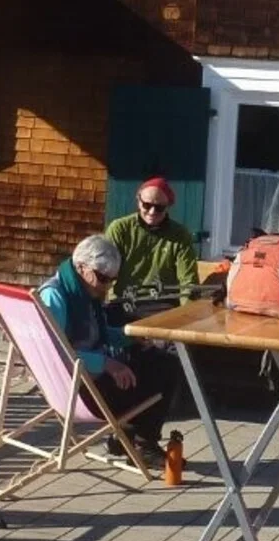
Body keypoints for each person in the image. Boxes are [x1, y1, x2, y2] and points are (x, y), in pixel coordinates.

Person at [38, 235, 174, 463]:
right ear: (81, 267)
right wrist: (106, 364)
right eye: (102, 278)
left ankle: (128, 438)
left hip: (90, 378)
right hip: (76, 390)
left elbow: (97, 334)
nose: (107, 286)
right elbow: (55, 354)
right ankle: (141, 441)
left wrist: (129, 337)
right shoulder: (55, 297)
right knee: (163, 370)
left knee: (156, 357)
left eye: (112, 280)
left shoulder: (82, 293)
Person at [103, 177, 200, 320]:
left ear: (168, 206)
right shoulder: (120, 229)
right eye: (147, 205)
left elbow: (188, 283)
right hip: (123, 302)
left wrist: (187, 317)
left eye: (159, 208)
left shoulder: (180, 235)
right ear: (138, 201)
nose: (152, 211)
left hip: (163, 305)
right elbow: (104, 271)